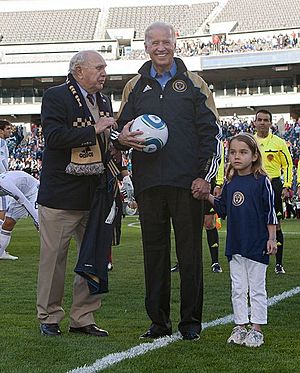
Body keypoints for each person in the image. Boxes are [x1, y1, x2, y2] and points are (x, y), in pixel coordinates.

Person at [113, 22, 221, 341]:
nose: (161, 47)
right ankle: (158, 323)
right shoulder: (134, 85)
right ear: (145, 47)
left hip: (188, 184)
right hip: (149, 185)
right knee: (154, 255)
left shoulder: (194, 82)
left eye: (166, 42)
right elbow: (119, 131)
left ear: (176, 43)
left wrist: (205, 177)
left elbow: (212, 134)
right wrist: (124, 139)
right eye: (154, 43)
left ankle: (190, 323)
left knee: (189, 255)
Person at [36, 50, 117, 337]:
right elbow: (54, 137)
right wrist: (94, 129)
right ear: (79, 71)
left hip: (94, 193)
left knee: (92, 257)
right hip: (61, 195)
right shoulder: (56, 96)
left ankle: (83, 317)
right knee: (54, 259)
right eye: (98, 67)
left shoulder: (104, 99)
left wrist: (122, 139)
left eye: (104, 67)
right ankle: (49, 316)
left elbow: (107, 140)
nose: (104, 72)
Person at [207, 133, 277, 347]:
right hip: (235, 244)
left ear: (255, 156)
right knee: (238, 287)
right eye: (233, 152)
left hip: (256, 243)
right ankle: (240, 326)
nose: (237, 157)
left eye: (243, 152)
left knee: (256, 287)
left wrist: (272, 238)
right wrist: (207, 196)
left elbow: (270, 212)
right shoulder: (230, 182)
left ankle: (256, 329)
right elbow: (223, 208)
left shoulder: (262, 181)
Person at [171, 141, 225, 273]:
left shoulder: (210, 136)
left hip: (207, 180)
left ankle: (215, 262)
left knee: (209, 223)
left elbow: (219, 160)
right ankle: (183, 262)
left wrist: (218, 183)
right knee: (185, 224)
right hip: (186, 181)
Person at [254, 109, 293, 274]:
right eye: (260, 120)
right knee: (255, 223)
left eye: (266, 120)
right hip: (254, 185)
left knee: (275, 225)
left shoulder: (279, 142)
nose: (262, 123)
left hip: (274, 185)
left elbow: (288, 165)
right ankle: (257, 259)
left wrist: (287, 186)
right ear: (254, 123)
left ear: (270, 123)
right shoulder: (250, 142)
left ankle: (278, 263)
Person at [0, 170, 39, 257]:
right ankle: (1, 253)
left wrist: (36, 219)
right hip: (21, 191)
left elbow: (23, 201)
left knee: (41, 224)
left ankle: (53, 251)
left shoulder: (5, 185)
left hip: (33, 191)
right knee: (8, 224)